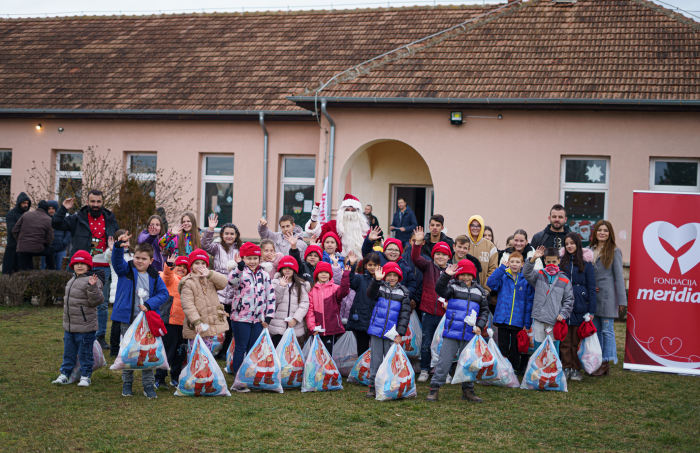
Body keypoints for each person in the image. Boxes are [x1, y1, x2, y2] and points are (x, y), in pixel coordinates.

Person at [53, 190, 119, 350]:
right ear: (87, 201)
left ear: (102, 202)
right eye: (92, 201)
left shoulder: (110, 219)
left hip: (103, 267)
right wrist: (63, 208)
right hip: (81, 267)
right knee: (77, 302)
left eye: (98, 201)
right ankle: (73, 334)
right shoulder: (77, 218)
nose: (95, 205)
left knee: (101, 304)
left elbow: (116, 238)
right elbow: (56, 224)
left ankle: (100, 337)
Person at [110, 232, 169, 399]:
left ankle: (148, 384)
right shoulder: (126, 269)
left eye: (144, 259)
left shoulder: (154, 276)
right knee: (128, 351)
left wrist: (149, 305)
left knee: (146, 351)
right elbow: (116, 262)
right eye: (137, 257)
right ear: (133, 256)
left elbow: (163, 294)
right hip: (127, 320)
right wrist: (117, 248)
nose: (139, 261)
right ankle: (127, 383)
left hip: (147, 321)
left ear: (151, 261)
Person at [426, 260, 489, 403]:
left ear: (473, 276)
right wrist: (446, 276)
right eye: (462, 274)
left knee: (467, 363)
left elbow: (484, 311)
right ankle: (434, 388)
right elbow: (439, 289)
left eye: (469, 274)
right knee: (444, 362)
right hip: (452, 332)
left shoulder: (479, 291)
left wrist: (480, 325)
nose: (465, 277)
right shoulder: (452, 288)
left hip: (470, 334)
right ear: (458, 275)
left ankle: (468, 390)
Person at [51, 250, 104, 387]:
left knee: (85, 353)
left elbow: (97, 301)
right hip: (70, 327)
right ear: (72, 265)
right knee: (69, 353)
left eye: (83, 263)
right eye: (77, 263)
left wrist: (92, 287)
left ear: (88, 266)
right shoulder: (71, 281)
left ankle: (86, 376)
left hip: (85, 327)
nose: (79, 266)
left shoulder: (92, 280)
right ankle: (65, 374)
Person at [227, 242, 275, 385]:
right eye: (249, 258)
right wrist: (240, 267)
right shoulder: (239, 272)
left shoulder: (265, 275)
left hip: (258, 320)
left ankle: (249, 375)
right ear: (243, 258)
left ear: (260, 259)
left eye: (255, 258)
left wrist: (268, 316)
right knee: (240, 347)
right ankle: (238, 378)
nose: (252, 261)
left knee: (253, 348)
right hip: (241, 318)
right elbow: (231, 282)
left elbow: (270, 296)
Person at [410, 226, 452, 383]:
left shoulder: (452, 271)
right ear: (433, 255)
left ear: (449, 257)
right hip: (428, 312)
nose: (440, 257)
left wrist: (449, 303)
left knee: (443, 345)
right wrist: (418, 243)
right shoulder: (428, 266)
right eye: (438, 254)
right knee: (427, 343)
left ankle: (444, 372)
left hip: (445, 315)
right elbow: (415, 258)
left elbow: (454, 292)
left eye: (444, 254)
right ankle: (425, 370)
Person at [364, 262, 411, 399]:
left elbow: (404, 314)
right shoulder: (379, 287)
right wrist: (376, 280)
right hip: (377, 330)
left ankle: (390, 385)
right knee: (376, 360)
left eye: (394, 275)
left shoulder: (404, 292)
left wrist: (400, 334)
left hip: (392, 333)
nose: (391, 278)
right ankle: (373, 386)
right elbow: (370, 294)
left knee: (391, 360)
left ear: (399, 277)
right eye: (389, 275)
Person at [487, 251, 534, 376]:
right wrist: (501, 268)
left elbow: (529, 302)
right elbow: (490, 283)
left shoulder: (525, 281)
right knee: (502, 346)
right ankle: (502, 368)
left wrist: (527, 323)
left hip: (518, 321)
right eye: (512, 261)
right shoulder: (503, 277)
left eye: (517, 262)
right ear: (508, 263)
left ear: (522, 264)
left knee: (515, 348)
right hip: (502, 319)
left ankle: (513, 369)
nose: (514, 264)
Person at [589, 220, 627, 377]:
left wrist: (622, 301)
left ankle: (606, 362)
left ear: (610, 233)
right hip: (594, 297)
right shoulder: (590, 250)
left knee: (607, 330)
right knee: (596, 331)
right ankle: (597, 361)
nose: (602, 233)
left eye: (605, 230)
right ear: (595, 232)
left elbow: (619, 276)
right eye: (599, 230)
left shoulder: (614, 251)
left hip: (608, 297)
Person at [201, 214, 241, 359]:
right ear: (222, 235)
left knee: (230, 323)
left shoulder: (240, 249)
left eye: (232, 234)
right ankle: (213, 348)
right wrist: (210, 229)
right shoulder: (217, 247)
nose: (229, 236)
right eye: (226, 233)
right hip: (218, 289)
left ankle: (224, 350)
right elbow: (204, 245)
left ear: (236, 235)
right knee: (217, 321)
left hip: (234, 291)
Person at [523, 246, 575, 355]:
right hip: (539, 319)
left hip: (554, 320)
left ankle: (553, 370)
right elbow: (526, 273)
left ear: (559, 261)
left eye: (554, 261)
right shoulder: (539, 275)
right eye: (549, 261)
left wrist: (563, 314)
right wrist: (533, 259)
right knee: (539, 347)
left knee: (553, 349)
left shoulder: (564, 280)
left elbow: (569, 300)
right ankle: (538, 370)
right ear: (545, 261)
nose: (551, 264)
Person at [559, 232, 597, 381]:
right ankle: (566, 367)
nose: (569, 246)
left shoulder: (586, 263)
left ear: (578, 244)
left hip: (581, 306)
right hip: (565, 307)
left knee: (576, 341)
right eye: (567, 243)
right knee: (565, 341)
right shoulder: (562, 261)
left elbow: (591, 287)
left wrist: (591, 310)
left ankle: (576, 369)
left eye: (572, 243)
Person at [178, 249, 230, 353]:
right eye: (197, 263)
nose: (200, 266)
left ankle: (206, 369)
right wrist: (197, 322)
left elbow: (224, 283)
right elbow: (188, 305)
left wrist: (210, 274)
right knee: (196, 353)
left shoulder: (210, 277)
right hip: (197, 325)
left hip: (210, 324)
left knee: (207, 353)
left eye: (203, 263)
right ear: (191, 266)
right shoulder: (188, 282)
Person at [154, 254, 189, 388]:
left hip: (184, 324)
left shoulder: (188, 282)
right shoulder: (170, 278)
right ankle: (160, 377)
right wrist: (169, 266)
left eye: (185, 267)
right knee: (167, 352)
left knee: (180, 352)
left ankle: (175, 376)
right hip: (169, 323)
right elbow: (166, 277)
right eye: (179, 265)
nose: (182, 268)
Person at [306, 261, 351, 356]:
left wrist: (345, 277)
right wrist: (312, 327)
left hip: (330, 329)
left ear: (330, 275)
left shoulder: (335, 288)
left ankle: (327, 371)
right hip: (317, 330)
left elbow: (344, 291)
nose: (323, 274)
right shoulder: (312, 291)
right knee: (316, 356)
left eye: (326, 272)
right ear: (316, 275)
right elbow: (310, 311)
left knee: (327, 355)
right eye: (321, 272)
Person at [306, 193, 370, 258]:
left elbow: (369, 250)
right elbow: (315, 236)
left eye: (353, 210)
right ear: (342, 211)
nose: (350, 213)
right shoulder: (332, 225)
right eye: (347, 210)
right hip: (336, 263)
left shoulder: (365, 229)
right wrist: (314, 219)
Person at [361, 229, 417, 300]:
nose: (393, 252)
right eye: (390, 249)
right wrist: (369, 240)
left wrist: (403, 296)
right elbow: (366, 252)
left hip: (397, 302)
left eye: (396, 250)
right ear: (384, 250)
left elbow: (412, 285)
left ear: (400, 252)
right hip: (377, 300)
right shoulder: (378, 257)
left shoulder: (404, 265)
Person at [345, 252, 382, 354]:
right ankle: (362, 369)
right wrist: (352, 264)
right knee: (362, 349)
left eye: (375, 265)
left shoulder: (382, 281)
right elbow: (350, 280)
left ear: (379, 265)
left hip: (376, 319)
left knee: (376, 350)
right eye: (370, 265)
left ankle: (375, 369)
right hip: (361, 319)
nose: (372, 267)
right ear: (365, 265)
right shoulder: (360, 278)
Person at [104, 230, 134, 357]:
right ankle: (114, 350)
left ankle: (129, 347)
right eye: (121, 241)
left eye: (126, 241)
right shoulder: (113, 253)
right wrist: (112, 249)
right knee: (116, 322)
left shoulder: (133, 255)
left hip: (130, 291)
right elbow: (109, 258)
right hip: (118, 291)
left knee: (129, 321)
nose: (124, 243)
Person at [269, 255, 310, 347]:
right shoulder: (275, 283)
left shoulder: (301, 285)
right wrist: (281, 287)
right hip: (278, 327)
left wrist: (295, 319)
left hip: (294, 327)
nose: (287, 270)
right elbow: (273, 302)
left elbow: (304, 304)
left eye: (290, 268)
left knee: (291, 356)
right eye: (285, 268)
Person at [13, 200, 55, 270]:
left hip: (22, 248)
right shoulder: (48, 219)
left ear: (37, 207)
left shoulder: (26, 214)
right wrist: (43, 243)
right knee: (51, 250)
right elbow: (49, 239)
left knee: (25, 272)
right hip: (37, 248)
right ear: (46, 209)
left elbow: (15, 230)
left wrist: (21, 241)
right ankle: (51, 272)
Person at [466, 215, 498, 294]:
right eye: (472, 225)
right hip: (464, 291)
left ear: (482, 227)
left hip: (483, 292)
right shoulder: (464, 244)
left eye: (478, 226)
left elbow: (493, 270)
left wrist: (486, 289)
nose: (475, 228)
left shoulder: (491, 246)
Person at [2, 192, 31, 275]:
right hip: (12, 248)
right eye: (24, 203)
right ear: (19, 203)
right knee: (9, 273)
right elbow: (13, 230)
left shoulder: (28, 215)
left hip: (25, 248)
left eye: (27, 203)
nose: (26, 205)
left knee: (24, 275)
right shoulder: (10, 214)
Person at [41, 201, 71, 271]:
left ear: (56, 209)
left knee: (60, 271)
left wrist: (64, 243)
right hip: (46, 249)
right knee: (44, 271)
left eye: (53, 209)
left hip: (60, 250)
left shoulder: (63, 219)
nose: (51, 210)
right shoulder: (43, 220)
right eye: (49, 209)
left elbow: (69, 232)